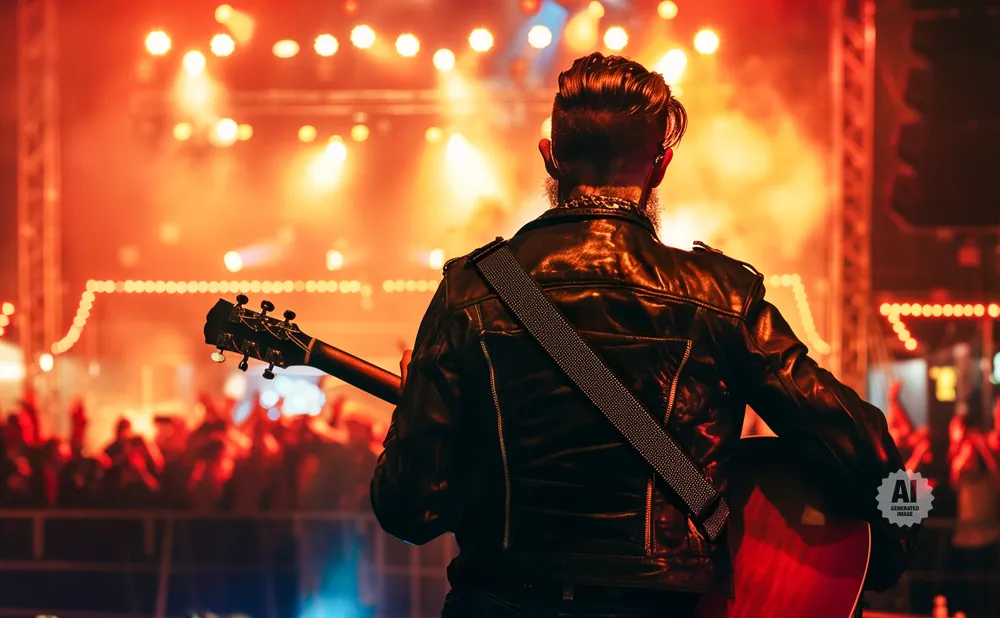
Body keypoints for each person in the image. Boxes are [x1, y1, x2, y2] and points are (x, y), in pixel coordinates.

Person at [371, 52, 917, 617]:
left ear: (550, 157)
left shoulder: (471, 292)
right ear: (661, 166)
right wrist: (882, 556)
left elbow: (406, 510)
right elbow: (869, 443)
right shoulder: (720, 296)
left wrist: (412, 421)